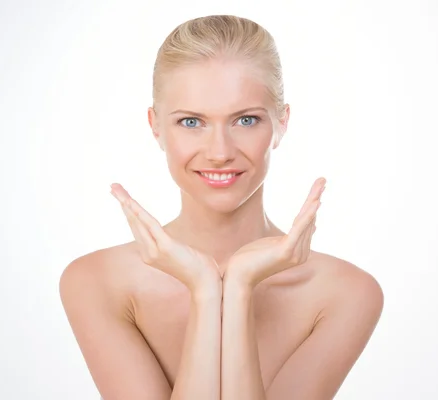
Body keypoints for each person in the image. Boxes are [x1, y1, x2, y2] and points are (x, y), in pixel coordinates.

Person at [60, 14, 384, 400]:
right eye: (192, 122)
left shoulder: (346, 294)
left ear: (281, 123)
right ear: (156, 126)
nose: (219, 153)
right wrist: (205, 290)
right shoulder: (95, 282)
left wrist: (241, 286)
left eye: (246, 120)